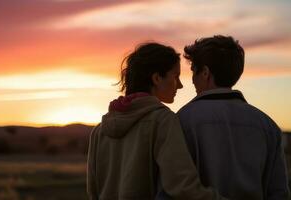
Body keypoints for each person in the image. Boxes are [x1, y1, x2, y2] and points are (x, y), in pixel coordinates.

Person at [87, 42, 228, 200]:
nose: (180, 85)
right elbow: (182, 187)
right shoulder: (162, 121)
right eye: (175, 76)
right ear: (156, 78)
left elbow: (94, 192)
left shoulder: (99, 131)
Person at [178, 35, 290, 200]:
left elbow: (174, 188)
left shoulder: (182, 121)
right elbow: (279, 193)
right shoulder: (268, 126)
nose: (192, 81)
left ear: (205, 73)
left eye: (194, 71)